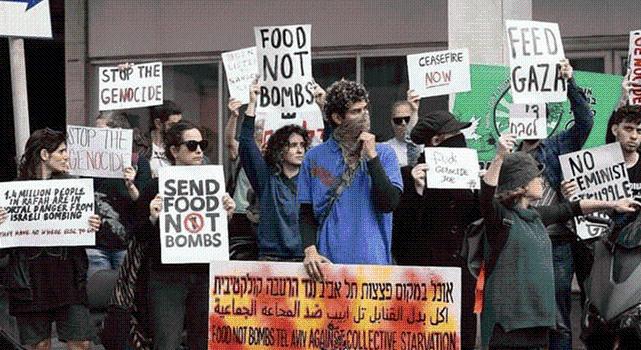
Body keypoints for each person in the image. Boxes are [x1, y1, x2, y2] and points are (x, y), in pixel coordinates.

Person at [479, 134, 639, 349]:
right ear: (521, 185)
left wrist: (613, 204)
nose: (542, 181)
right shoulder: (502, 219)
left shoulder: (536, 215)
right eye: (536, 177)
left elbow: (572, 208)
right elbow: (487, 195)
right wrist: (499, 156)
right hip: (509, 325)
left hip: (538, 321)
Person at [135, 120, 235, 350]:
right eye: (192, 145)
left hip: (203, 275)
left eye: (202, 144)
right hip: (166, 278)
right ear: (174, 151)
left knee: (202, 341)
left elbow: (218, 237)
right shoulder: (154, 188)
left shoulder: (215, 186)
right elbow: (138, 234)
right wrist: (151, 218)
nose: (199, 150)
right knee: (167, 342)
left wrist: (227, 217)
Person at [516, 59, 594, 349]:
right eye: (524, 115)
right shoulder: (509, 156)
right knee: (528, 315)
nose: (529, 122)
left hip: (557, 243)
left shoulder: (557, 146)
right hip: (523, 244)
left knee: (559, 317)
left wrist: (569, 82)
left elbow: (585, 121)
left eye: (535, 115)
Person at [0, 128, 101, 350]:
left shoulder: (74, 190)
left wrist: (93, 225)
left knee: (82, 343)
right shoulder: (12, 193)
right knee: (39, 346)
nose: (67, 156)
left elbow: (90, 237)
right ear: (45, 155)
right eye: (62, 151)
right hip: (29, 282)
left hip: (68, 278)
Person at [298, 79, 403, 280]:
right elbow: (306, 210)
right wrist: (309, 250)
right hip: (328, 267)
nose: (365, 115)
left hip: (374, 266)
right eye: (356, 111)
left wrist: (373, 159)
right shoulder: (315, 158)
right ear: (337, 117)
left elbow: (389, 203)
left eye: (365, 108)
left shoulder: (385, 153)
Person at [408, 110, 479, 350]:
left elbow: (476, 217)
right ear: (436, 141)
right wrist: (418, 191)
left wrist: (482, 188)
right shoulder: (413, 176)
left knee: (465, 329)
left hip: (463, 265)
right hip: (431, 270)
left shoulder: (466, 174)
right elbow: (406, 231)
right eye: (455, 134)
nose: (461, 139)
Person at [237, 80, 311, 261]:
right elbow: (246, 144)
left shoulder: (311, 179)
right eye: (293, 145)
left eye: (302, 145)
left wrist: (324, 108)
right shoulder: (267, 179)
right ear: (280, 149)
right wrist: (252, 103)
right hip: (271, 258)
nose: (299, 150)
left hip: (304, 258)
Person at [87, 111, 152, 279]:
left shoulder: (140, 164)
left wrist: (130, 185)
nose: (95, 136)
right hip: (95, 245)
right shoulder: (88, 163)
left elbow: (144, 205)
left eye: (101, 131)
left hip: (126, 245)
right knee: (96, 295)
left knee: (124, 299)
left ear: (118, 134)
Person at [224, 99, 259, 260]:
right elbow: (230, 142)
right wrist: (233, 116)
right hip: (239, 212)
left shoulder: (273, 155)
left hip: (260, 216)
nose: (258, 133)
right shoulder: (243, 150)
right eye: (256, 129)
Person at [139, 100, 183, 178]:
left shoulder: (178, 146)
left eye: (179, 124)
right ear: (158, 123)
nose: (177, 128)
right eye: (172, 125)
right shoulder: (140, 145)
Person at [384, 90, 422, 168]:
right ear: (392, 122)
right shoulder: (385, 149)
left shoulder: (424, 147)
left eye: (407, 119)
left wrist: (414, 110)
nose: (403, 123)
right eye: (398, 120)